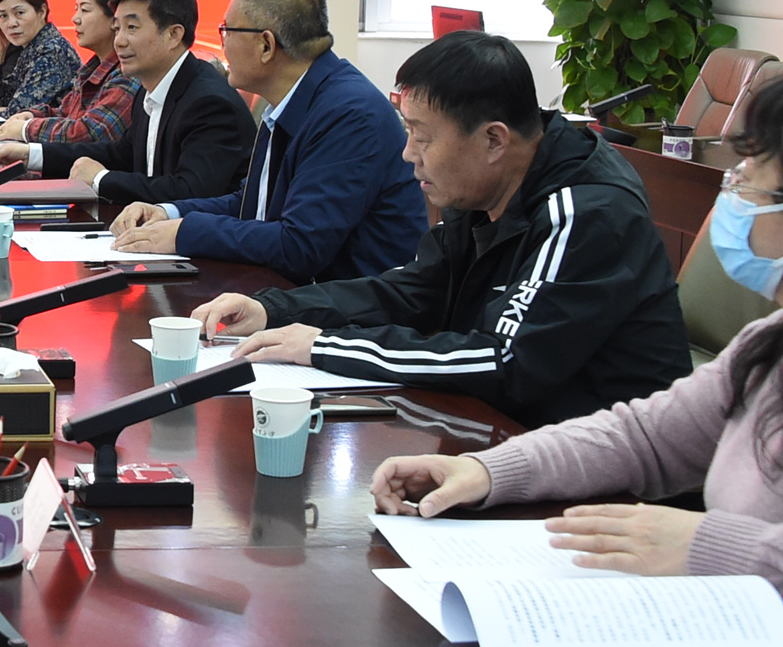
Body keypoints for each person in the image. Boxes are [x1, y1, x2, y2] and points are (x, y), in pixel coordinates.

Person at [372, 69, 783, 647]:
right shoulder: (781, 339)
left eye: (747, 186)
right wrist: (490, 471)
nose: (727, 202)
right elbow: (646, 437)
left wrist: (721, 548)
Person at [193, 29, 690, 426]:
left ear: (493, 141)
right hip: (508, 433)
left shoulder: (584, 212)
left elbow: (506, 362)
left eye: (421, 136)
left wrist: (325, 347)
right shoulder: (483, 190)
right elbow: (413, 290)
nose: (408, 153)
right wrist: (275, 309)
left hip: (610, 475)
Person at [111, 0, 425, 281]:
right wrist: (169, 212)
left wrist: (184, 232)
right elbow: (254, 203)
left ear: (266, 46)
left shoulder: (349, 114)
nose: (223, 45)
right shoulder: (294, 98)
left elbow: (299, 246)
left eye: (227, 31)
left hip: (346, 305)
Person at [37, 0, 253, 205]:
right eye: (117, 28)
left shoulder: (209, 102)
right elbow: (123, 155)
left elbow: (190, 191)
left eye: (132, 27)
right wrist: (33, 154)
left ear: (173, 35)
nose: (119, 41)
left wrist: (100, 179)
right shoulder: (149, 88)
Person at [0, 0, 133, 166]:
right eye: (3, 15)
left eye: (85, 10)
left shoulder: (125, 72)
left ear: (115, 19)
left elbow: (89, 133)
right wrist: (32, 115)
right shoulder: (91, 70)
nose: (75, 18)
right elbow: (64, 111)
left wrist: (26, 127)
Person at [0, 0, 82, 116]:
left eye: (19, 13)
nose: (11, 23)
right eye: (3, 16)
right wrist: (0, 50)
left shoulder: (52, 50)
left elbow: (18, 113)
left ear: (42, 11)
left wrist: (4, 111)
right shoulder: (32, 48)